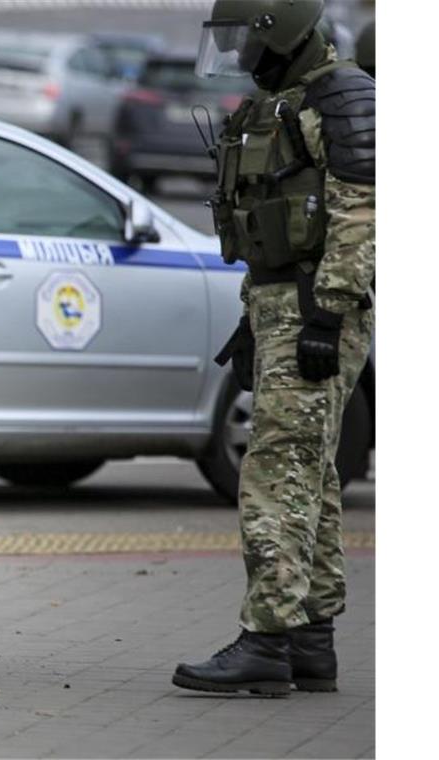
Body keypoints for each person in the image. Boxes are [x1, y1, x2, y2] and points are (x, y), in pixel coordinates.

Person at [176, 0, 374, 697]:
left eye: (243, 40)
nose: (236, 55)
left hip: (314, 309)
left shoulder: (342, 98)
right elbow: (270, 226)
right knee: (307, 478)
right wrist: (251, 321)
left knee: (274, 474)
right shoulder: (286, 102)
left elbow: (364, 212)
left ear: (278, 35)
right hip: (281, 306)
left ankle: (265, 640)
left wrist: (328, 315)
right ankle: (311, 641)